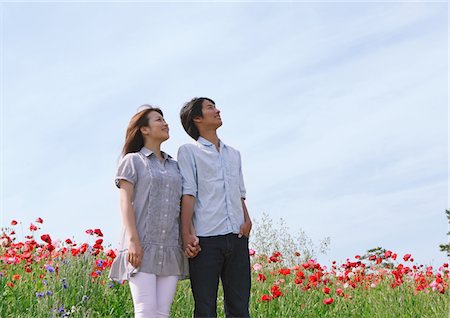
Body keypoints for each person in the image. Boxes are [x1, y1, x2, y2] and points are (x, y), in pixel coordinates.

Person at [108, 105, 188, 318]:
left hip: (170, 247)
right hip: (141, 245)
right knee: (145, 311)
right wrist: (133, 240)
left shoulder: (176, 166)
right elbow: (125, 203)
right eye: (159, 120)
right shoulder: (133, 161)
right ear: (144, 129)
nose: (165, 123)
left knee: (163, 313)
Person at [177, 97, 252, 318]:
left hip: (237, 238)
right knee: (205, 309)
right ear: (197, 118)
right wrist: (186, 234)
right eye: (210, 108)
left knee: (240, 308)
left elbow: (240, 193)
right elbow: (188, 194)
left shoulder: (234, 154)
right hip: (206, 241)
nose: (218, 110)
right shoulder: (189, 151)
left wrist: (247, 221)